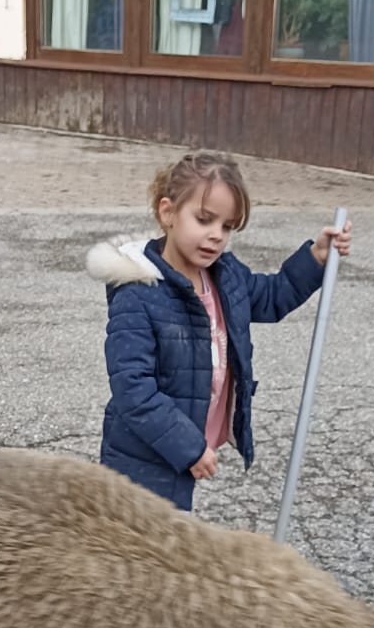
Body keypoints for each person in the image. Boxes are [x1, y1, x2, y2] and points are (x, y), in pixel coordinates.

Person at [86, 149, 352, 512]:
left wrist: (316, 258)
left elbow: (271, 297)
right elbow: (133, 389)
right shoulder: (139, 293)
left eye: (226, 226)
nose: (216, 236)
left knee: (171, 540)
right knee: (146, 547)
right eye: (204, 219)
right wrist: (188, 447)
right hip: (145, 456)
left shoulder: (225, 276)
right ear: (168, 213)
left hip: (190, 440)